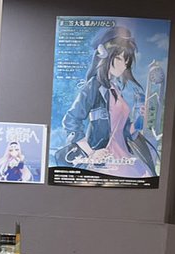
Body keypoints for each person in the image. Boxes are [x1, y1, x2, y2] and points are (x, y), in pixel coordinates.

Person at [56, 25, 157, 178]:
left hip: (123, 156)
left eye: (126, 61)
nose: (123, 66)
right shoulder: (93, 86)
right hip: (105, 159)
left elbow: (124, 130)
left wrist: (140, 118)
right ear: (104, 55)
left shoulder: (115, 88)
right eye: (119, 58)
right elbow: (71, 120)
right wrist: (91, 152)